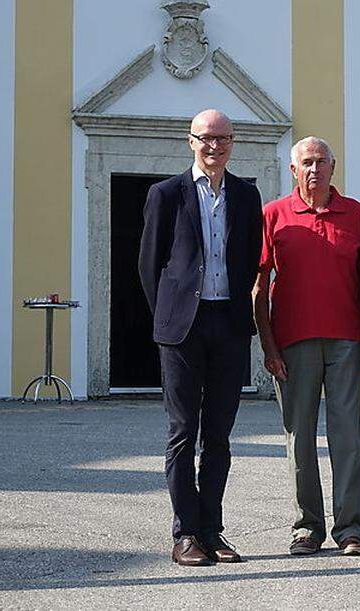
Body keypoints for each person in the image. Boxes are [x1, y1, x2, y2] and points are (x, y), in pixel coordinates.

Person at [137, 109, 263, 566]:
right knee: (182, 431)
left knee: (220, 435)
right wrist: (170, 317)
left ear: (233, 143)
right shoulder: (166, 194)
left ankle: (212, 530)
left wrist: (234, 312)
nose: (215, 146)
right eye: (207, 138)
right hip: (183, 330)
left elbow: (249, 258)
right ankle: (185, 533)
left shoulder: (247, 195)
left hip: (228, 325)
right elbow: (151, 265)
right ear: (191, 141)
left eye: (224, 138)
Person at [252, 137, 360, 557]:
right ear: (293, 169)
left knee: (348, 436)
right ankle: (307, 526)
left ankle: (351, 528)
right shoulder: (274, 215)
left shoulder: (356, 214)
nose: (314, 169)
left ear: (333, 167)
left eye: (322, 161)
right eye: (307, 162)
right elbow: (259, 288)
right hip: (292, 343)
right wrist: (269, 346)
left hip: (346, 341)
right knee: (299, 436)